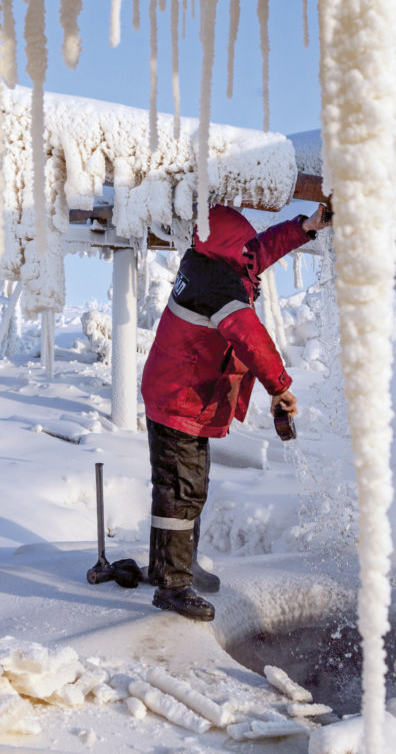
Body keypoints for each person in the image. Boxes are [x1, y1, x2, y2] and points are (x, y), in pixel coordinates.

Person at [141, 203, 331, 621]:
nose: (251, 253)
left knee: (189, 486)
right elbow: (250, 337)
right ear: (229, 246)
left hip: (183, 394)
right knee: (180, 490)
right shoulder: (216, 286)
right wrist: (280, 388)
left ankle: (175, 566)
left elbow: (259, 251)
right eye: (243, 246)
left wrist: (306, 228)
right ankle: (172, 586)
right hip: (179, 398)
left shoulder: (209, 257)